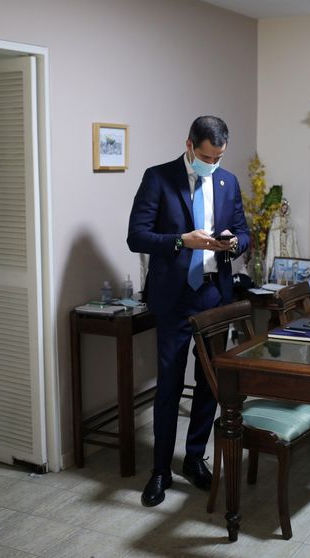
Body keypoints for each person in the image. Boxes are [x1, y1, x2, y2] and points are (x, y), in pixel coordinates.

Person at [127, 115, 250, 507]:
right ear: (189, 145)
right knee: (168, 386)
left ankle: (194, 459)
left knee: (210, 384)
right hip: (175, 299)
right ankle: (160, 470)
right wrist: (181, 241)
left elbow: (245, 232)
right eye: (206, 156)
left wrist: (234, 244)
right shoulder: (158, 178)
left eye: (218, 157)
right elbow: (137, 236)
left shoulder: (228, 182)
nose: (212, 164)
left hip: (215, 296)